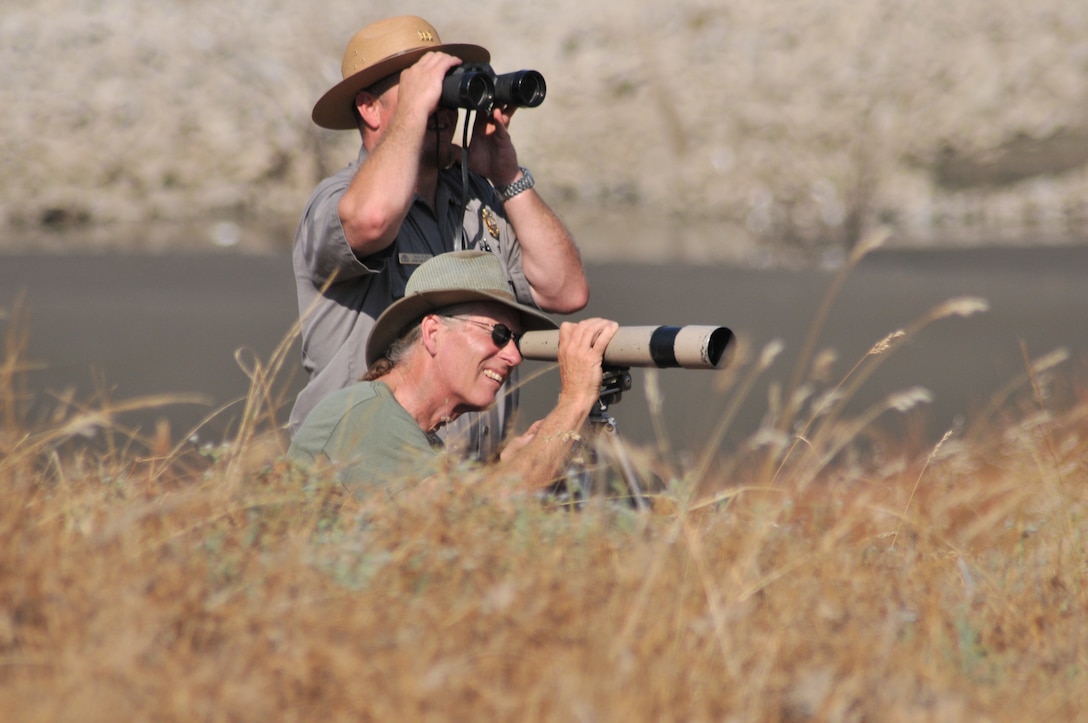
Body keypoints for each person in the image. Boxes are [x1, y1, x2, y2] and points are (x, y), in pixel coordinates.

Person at [290, 15, 589, 461]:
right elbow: (372, 219)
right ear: (369, 108)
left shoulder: (478, 204)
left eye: (446, 90)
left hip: (462, 487)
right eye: (421, 89)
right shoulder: (337, 201)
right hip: (364, 472)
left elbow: (564, 291)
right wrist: (416, 108)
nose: (440, 109)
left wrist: (507, 174)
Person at [288, 251, 616, 496]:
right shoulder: (367, 416)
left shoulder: (411, 432)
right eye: (499, 334)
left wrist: (507, 464)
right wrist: (574, 400)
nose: (514, 356)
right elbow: (466, 522)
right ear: (433, 333)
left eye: (516, 341)